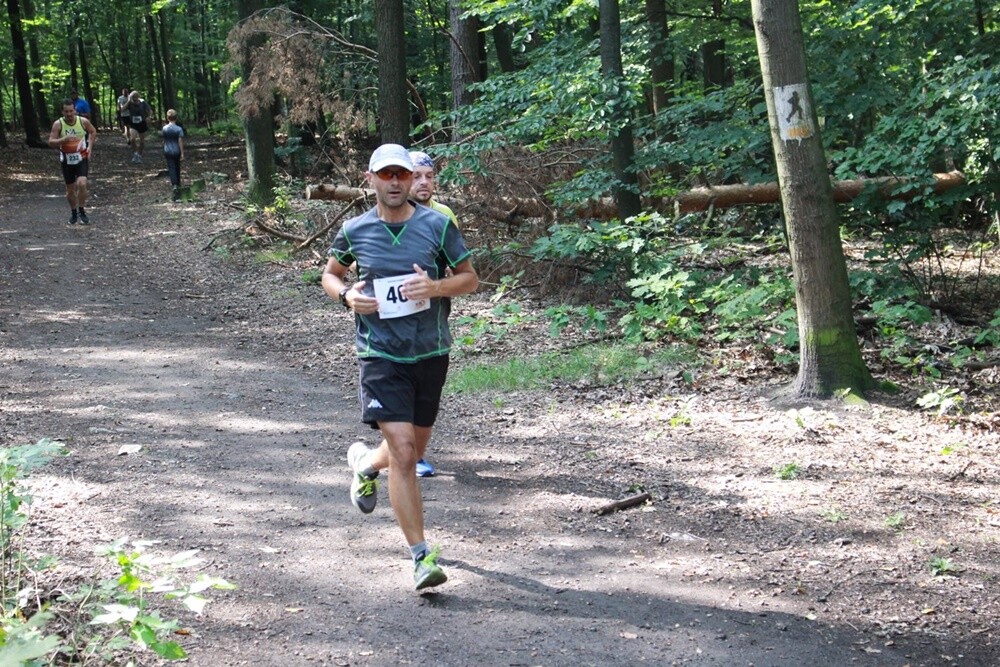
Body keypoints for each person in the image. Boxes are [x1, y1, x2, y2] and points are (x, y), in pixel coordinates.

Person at [322, 143, 478, 591]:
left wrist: (435, 286)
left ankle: (367, 466)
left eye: (401, 175)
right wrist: (347, 295)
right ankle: (420, 556)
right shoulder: (355, 230)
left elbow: (470, 278)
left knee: (412, 451)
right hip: (379, 354)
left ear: (412, 180)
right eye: (385, 175)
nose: (394, 183)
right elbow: (330, 273)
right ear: (370, 179)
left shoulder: (437, 225)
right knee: (406, 452)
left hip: (430, 351)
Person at [406, 150, 460, 478]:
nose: (424, 182)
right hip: (394, 319)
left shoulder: (444, 215)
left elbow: (459, 265)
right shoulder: (388, 213)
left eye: (429, 175)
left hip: (435, 314)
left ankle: (416, 455)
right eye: (416, 175)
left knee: (427, 387)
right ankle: (402, 452)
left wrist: (443, 283)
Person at [48, 98, 97, 225]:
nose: (69, 114)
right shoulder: (58, 124)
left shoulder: (83, 121)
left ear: (75, 110)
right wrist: (63, 140)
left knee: (82, 183)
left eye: (71, 111)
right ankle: (74, 213)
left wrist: (89, 148)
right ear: (62, 112)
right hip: (67, 160)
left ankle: (82, 210)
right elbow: (50, 142)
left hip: (81, 157)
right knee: (70, 190)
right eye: (66, 111)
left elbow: (92, 131)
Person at [162, 109, 185, 201]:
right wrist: (182, 153)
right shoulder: (179, 129)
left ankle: (174, 185)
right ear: (176, 118)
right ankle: (177, 184)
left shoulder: (165, 129)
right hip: (176, 150)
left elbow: (164, 140)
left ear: (168, 118)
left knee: (171, 167)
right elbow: (180, 141)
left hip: (167, 150)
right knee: (177, 167)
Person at [125, 91, 152, 163]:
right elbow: (122, 109)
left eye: (136, 97)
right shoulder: (130, 103)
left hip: (142, 123)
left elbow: (149, 110)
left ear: (138, 96)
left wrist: (149, 117)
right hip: (133, 123)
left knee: (142, 141)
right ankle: (135, 154)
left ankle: (140, 155)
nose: (134, 98)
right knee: (132, 139)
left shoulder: (143, 102)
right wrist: (128, 101)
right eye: (133, 97)